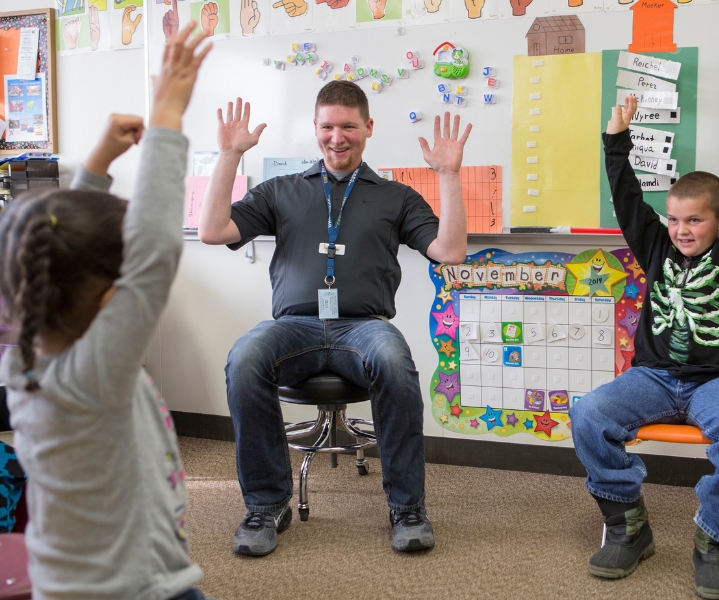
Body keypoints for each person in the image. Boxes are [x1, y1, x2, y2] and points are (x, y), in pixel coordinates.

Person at [198, 81, 472, 555]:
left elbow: (450, 251)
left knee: (395, 360)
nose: (337, 137)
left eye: (348, 126)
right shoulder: (281, 191)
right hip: (294, 328)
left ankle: (407, 507)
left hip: (362, 328)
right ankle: (267, 505)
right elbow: (213, 231)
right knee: (244, 358)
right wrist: (228, 157)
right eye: (328, 126)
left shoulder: (395, 197)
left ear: (368, 128)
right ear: (315, 129)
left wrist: (449, 175)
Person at [0, 23, 212, 600]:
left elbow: (49, 241)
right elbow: (156, 251)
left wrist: (97, 162)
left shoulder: (20, 362)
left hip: (65, 584)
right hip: (139, 589)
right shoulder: (99, 373)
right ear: (110, 299)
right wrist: (168, 112)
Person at [569, 84, 719, 600]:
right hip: (652, 378)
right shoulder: (656, 245)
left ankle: (714, 539)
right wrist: (614, 140)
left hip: (717, 381)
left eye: (695, 220)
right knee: (589, 414)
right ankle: (628, 524)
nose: (682, 230)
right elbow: (625, 194)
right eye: (675, 219)